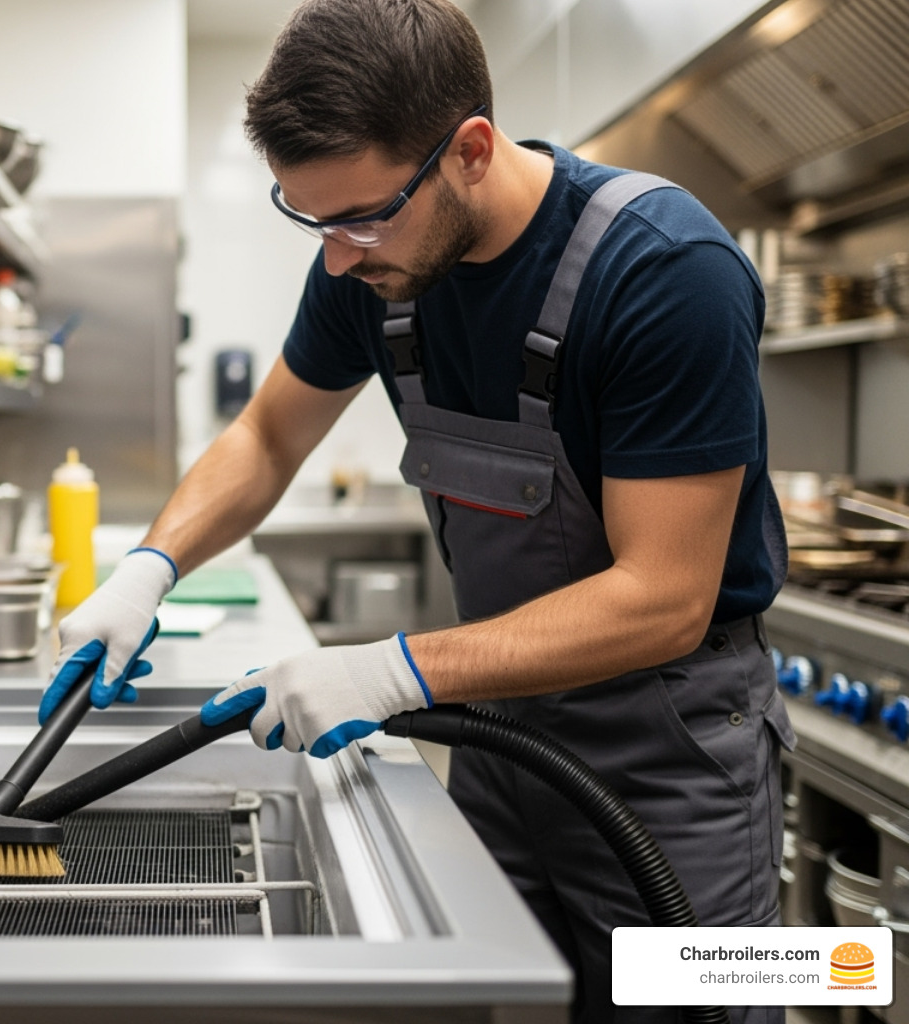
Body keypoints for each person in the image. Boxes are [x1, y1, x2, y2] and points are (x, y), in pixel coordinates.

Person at [40, 1, 792, 1020]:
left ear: (471, 150)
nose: (337, 258)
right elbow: (267, 436)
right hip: (499, 736)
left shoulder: (665, 271)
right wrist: (147, 570)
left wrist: (390, 669)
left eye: (361, 218)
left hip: (672, 762)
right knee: (505, 1002)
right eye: (311, 221)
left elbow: (664, 598)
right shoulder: (370, 262)